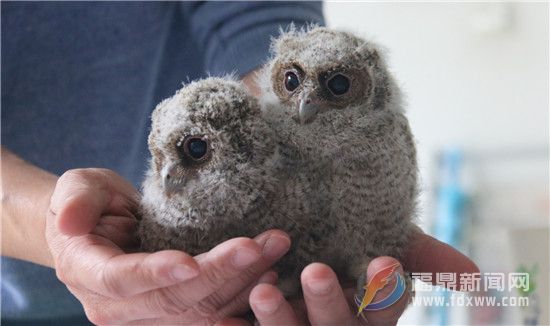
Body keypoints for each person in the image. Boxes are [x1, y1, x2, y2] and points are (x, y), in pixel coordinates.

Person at [1, 2, 478, 325]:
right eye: (292, 81)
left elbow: (257, 15)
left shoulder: (367, 131)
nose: (308, 100)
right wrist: (47, 223)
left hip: (225, 284)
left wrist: (266, 141)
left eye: (333, 87)